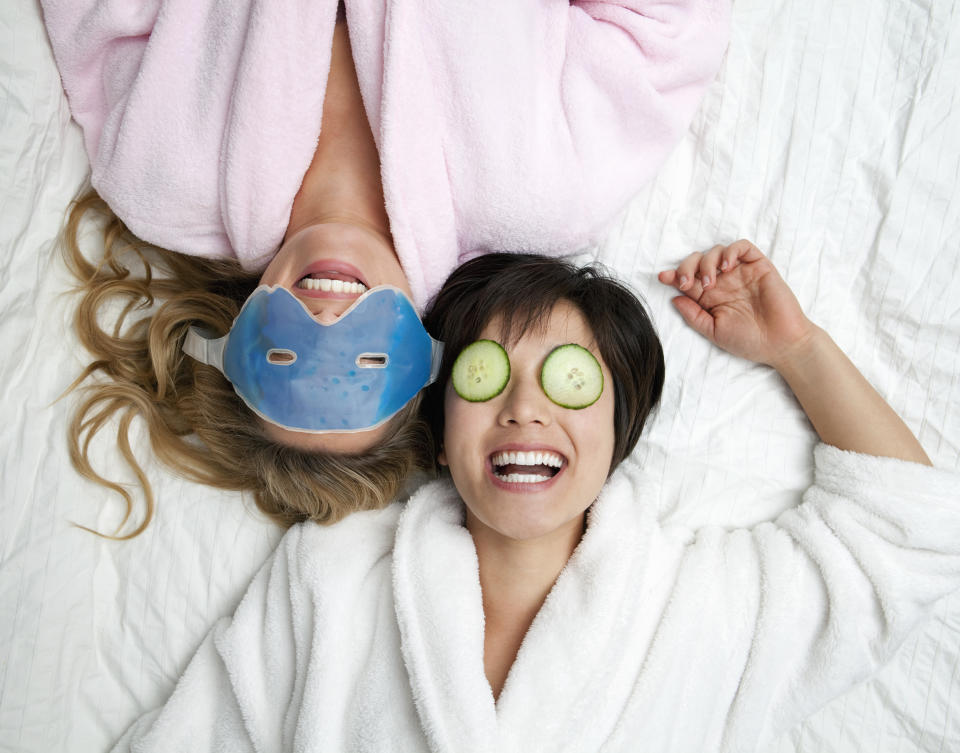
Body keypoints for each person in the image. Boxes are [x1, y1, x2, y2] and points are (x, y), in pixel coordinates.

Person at [109, 244, 958, 752]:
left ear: (617, 437)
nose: (524, 407)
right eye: (485, 377)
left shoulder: (700, 608)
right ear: (441, 433)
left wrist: (797, 347)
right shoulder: (332, 579)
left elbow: (909, 531)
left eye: (570, 379)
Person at [43, 0, 731, 535]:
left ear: (234, 341)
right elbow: (665, 26)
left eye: (287, 353)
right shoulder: (541, 193)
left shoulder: (161, 177)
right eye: (367, 360)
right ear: (430, 359)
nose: (328, 316)